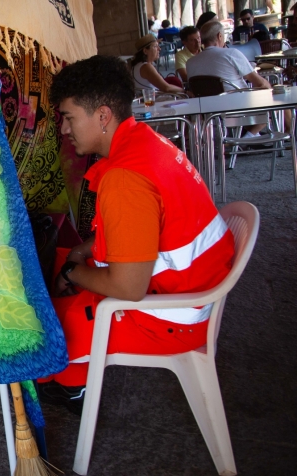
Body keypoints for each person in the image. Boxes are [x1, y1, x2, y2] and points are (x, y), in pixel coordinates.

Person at [36, 55, 235, 414]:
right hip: (191, 288)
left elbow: (129, 288)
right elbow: (144, 229)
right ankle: (69, 380)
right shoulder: (144, 143)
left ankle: (69, 386)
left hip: (171, 317)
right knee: (63, 260)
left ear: (101, 116)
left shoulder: (125, 178)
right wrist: (82, 252)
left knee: (40, 326)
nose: (64, 130)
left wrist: (72, 272)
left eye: (68, 118)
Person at [187, 21, 271, 137]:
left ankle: (248, 136)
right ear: (219, 36)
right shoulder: (231, 53)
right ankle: (248, 137)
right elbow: (259, 83)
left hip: (207, 111)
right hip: (237, 107)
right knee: (271, 94)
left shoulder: (190, 63)